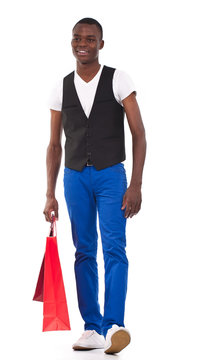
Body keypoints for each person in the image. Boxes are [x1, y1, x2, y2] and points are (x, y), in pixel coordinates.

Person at [43, 17, 146, 354]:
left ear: (101, 44)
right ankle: (92, 328)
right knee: (84, 251)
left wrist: (135, 185)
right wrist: (49, 193)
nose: (82, 43)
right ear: (71, 42)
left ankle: (114, 324)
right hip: (74, 177)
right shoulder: (61, 87)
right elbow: (54, 145)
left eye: (89, 38)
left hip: (110, 175)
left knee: (115, 248)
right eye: (76, 38)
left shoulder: (118, 79)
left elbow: (139, 133)